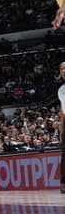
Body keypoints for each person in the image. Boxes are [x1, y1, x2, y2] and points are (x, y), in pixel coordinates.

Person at [58, 61, 65, 194]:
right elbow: (63, 111)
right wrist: (61, 128)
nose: (64, 70)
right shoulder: (61, 90)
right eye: (62, 69)